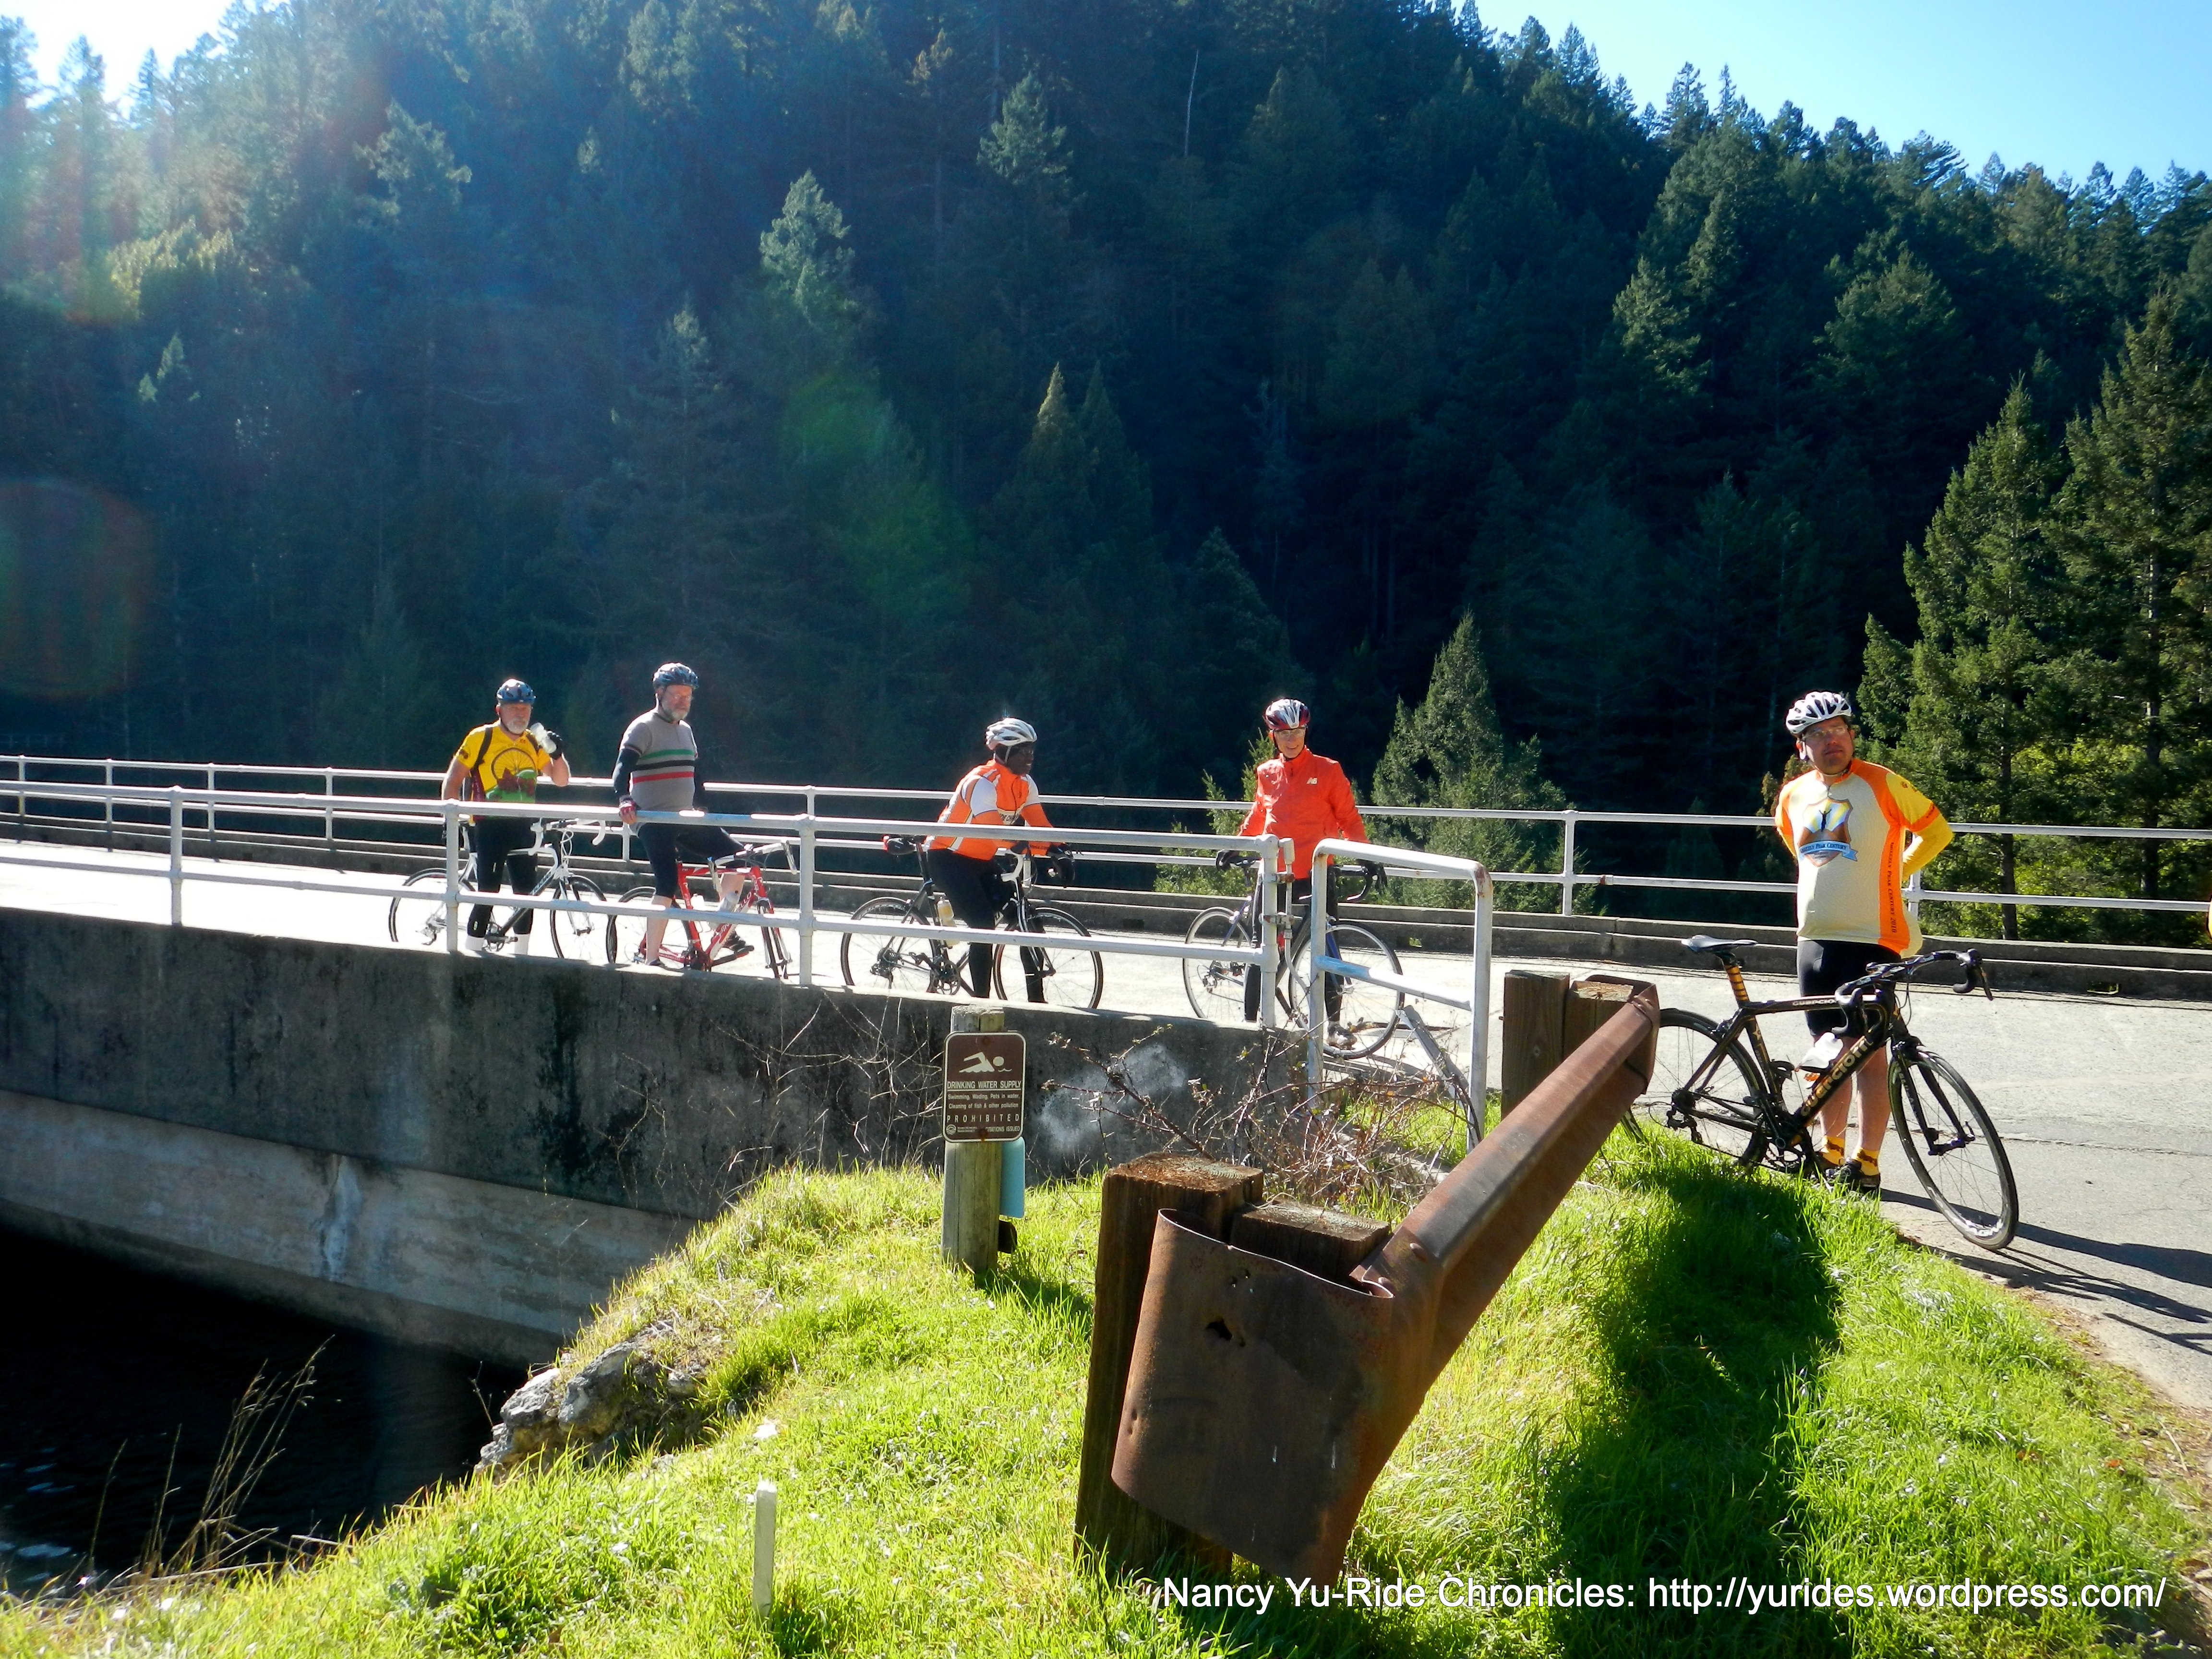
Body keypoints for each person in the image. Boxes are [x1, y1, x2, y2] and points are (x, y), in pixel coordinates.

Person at [1774, 690, 1954, 1191]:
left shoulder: (1883, 783)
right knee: (1827, 1050)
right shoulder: (1792, 796)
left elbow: (1937, 833)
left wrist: (1896, 872)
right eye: (1817, 735)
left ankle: (1866, 1161)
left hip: (1874, 939)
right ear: (1801, 748)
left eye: (1839, 731)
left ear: (1852, 734)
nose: (1831, 741)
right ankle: (1830, 1151)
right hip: (1814, 938)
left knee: (1870, 1054)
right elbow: (1804, 854)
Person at [1218, 698, 1377, 1023]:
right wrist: (1238, 844)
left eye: (1298, 731)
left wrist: (1366, 855)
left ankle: (1332, 1028)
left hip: (1316, 872)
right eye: (1284, 733)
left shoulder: (1328, 771)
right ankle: (1249, 1025)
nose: (1292, 739)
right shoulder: (1267, 773)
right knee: (1265, 948)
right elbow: (1261, 814)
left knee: (1327, 949)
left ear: (1306, 731)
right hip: (1274, 872)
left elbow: (1349, 818)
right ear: (1272, 735)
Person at [613, 663, 749, 968]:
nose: (683, 702)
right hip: (653, 819)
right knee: (667, 883)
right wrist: (624, 799)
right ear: (660, 693)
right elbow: (621, 770)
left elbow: (694, 775)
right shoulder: (643, 727)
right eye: (677, 695)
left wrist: (702, 808)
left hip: (683, 816)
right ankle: (651, 960)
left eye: (688, 696)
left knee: (739, 859)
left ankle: (720, 923)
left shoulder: (686, 731)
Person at [925, 718, 1060, 998]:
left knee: (1028, 921)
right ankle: (981, 1003)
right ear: (1005, 752)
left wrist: (1059, 851)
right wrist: (1033, 848)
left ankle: (1037, 1000)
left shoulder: (1025, 784)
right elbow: (994, 834)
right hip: (947, 857)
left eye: (1032, 750)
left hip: (980, 860)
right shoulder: (982, 783)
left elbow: (1041, 826)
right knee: (983, 926)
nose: (1030, 757)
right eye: (1023, 751)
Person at [441, 679, 571, 952]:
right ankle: (471, 953)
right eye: (513, 708)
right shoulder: (481, 738)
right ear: (499, 710)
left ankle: (522, 955)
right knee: (488, 892)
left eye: (526, 709)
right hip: (489, 826)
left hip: (524, 824)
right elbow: (453, 781)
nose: (520, 714)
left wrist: (557, 755)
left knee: (527, 895)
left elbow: (561, 780)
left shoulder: (534, 742)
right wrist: (451, 820)